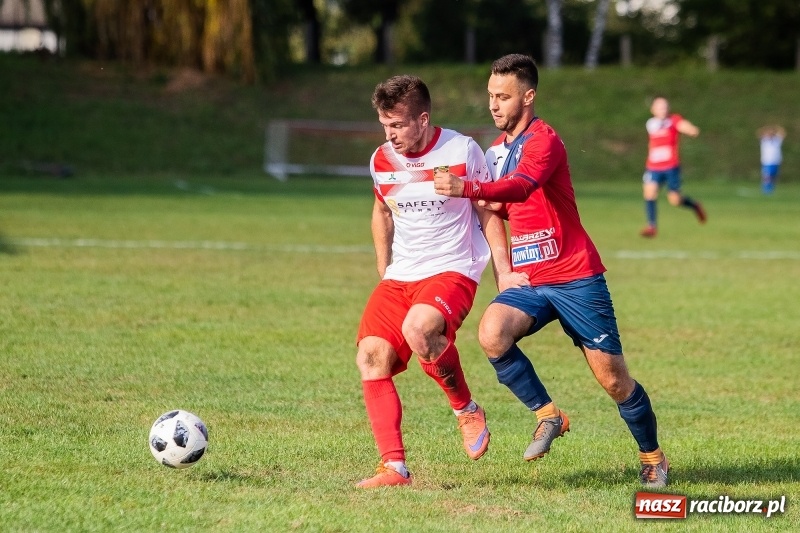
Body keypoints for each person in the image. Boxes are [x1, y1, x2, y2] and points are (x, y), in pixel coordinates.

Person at [434, 54, 669, 488]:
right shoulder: (494, 153)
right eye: (490, 96)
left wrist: (467, 187)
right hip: (531, 281)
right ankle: (549, 415)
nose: (494, 105)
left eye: (503, 97)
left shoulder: (546, 141)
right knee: (491, 333)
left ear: (528, 96)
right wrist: (502, 266)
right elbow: (498, 206)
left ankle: (653, 456)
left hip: (576, 276)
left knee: (614, 381)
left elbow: (522, 186)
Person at [355, 74, 522, 488]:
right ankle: (393, 469)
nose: (389, 134)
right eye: (384, 124)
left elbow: (486, 209)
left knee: (419, 329)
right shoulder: (381, 160)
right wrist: (385, 270)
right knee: (371, 357)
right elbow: (382, 211)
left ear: (423, 119)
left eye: (397, 125)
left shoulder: (462, 150)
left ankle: (465, 408)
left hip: (452, 268)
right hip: (401, 276)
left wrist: (503, 270)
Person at [639, 96, 706, 238]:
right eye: (659, 107)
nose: (663, 109)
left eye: (665, 106)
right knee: (649, 193)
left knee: (675, 200)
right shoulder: (651, 123)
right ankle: (651, 226)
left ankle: (695, 206)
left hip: (670, 167)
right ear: (653, 110)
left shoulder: (673, 120)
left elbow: (683, 126)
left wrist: (691, 129)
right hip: (653, 166)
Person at [757, 125, 785, 194]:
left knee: (774, 176)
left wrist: (777, 127)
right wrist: (765, 128)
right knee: (767, 176)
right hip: (767, 161)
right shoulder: (764, 140)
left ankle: (771, 189)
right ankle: (766, 190)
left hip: (776, 161)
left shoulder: (776, 140)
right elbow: (758, 133)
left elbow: (783, 133)